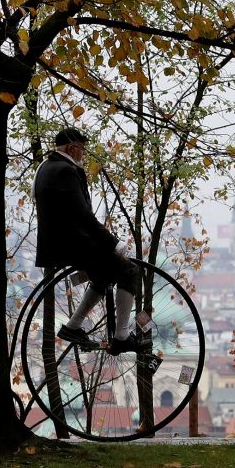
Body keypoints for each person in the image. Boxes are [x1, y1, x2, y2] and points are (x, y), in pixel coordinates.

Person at [34, 127, 148, 355]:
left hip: (59, 242)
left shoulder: (47, 167)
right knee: (130, 271)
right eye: (81, 149)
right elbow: (82, 215)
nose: (83, 154)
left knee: (104, 273)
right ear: (71, 148)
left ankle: (73, 327)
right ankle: (122, 336)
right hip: (72, 243)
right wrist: (112, 242)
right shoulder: (65, 171)